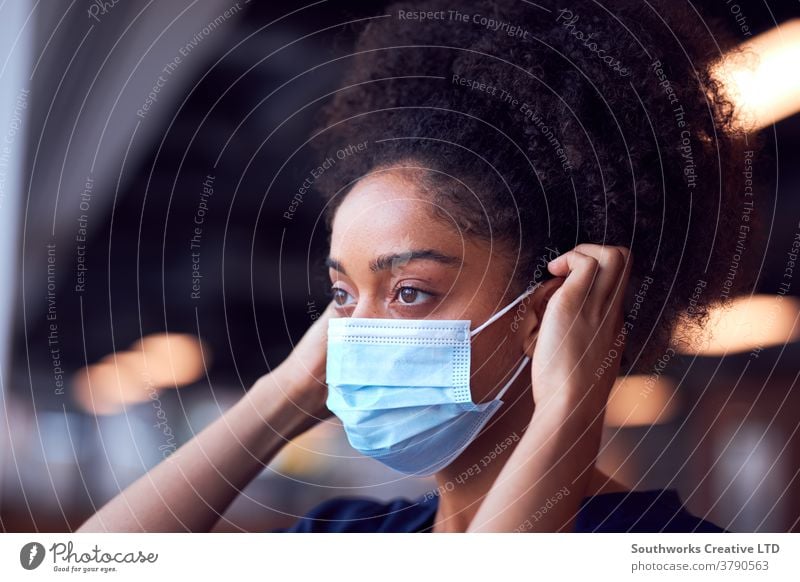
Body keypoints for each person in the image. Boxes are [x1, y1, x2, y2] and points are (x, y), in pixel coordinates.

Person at [78, 0, 759, 533]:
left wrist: (570, 415)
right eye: (342, 293)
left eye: (408, 291)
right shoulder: (346, 538)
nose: (357, 334)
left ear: (548, 308)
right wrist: (285, 392)